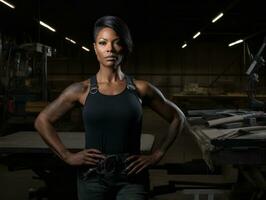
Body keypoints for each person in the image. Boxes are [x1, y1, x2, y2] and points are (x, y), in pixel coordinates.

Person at [35, 15, 185, 200]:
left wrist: (157, 154)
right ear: (95, 48)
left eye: (117, 43)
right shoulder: (81, 90)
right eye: (103, 43)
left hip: (132, 178)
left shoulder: (140, 88)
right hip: (92, 178)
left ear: (125, 47)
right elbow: (42, 120)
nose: (110, 49)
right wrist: (66, 156)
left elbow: (178, 117)